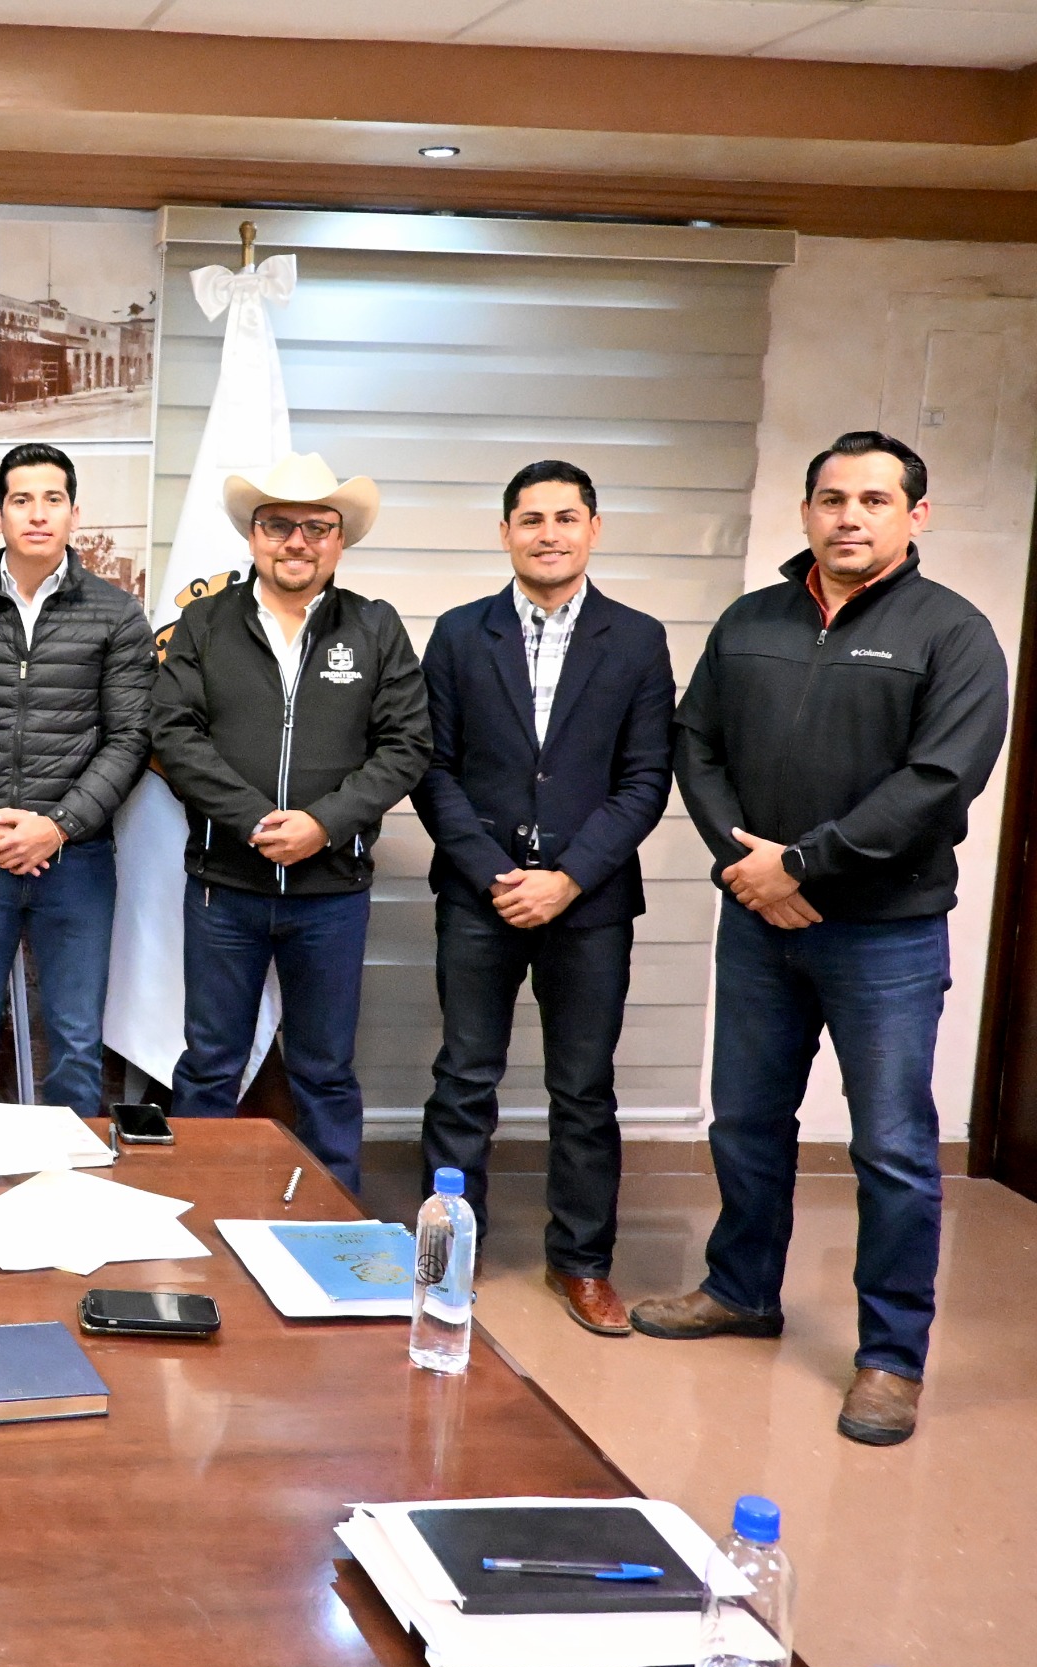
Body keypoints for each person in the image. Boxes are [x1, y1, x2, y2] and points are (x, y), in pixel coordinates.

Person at [634, 430, 1007, 1447]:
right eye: (832, 498)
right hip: (758, 924)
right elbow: (692, 743)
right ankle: (741, 1290)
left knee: (890, 1147)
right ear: (804, 513)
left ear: (913, 516)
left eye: (875, 500)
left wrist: (802, 864)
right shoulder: (751, 621)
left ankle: (890, 1357)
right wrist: (746, 866)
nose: (850, 516)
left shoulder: (953, 634)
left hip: (882, 935)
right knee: (746, 1123)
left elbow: (938, 782)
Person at [411, 461, 674, 1335]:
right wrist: (495, 872)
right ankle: (445, 1261)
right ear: (505, 532)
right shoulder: (456, 634)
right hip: (479, 893)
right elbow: (433, 770)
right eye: (530, 519)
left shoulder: (636, 640)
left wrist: (568, 877)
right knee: (463, 1078)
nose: (548, 533)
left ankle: (583, 1264)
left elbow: (645, 780)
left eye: (566, 517)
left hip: (589, 901)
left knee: (583, 1087)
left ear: (594, 527)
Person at [151, 452, 430, 1192]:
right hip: (224, 890)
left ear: (340, 541)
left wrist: (323, 824)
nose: (296, 542)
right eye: (279, 526)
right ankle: (194, 1212)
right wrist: (251, 820)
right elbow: (173, 733)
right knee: (209, 1064)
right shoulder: (204, 623)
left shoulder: (375, 629)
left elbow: (407, 746)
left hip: (330, 893)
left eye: (316, 527)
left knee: (325, 1071)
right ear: (253, 536)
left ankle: (334, 1219)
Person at [0, 443, 155, 1113]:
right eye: (21, 500)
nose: (37, 514)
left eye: (52, 500)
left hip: (76, 858)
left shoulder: (117, 613)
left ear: (75, 515)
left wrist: (59, 825)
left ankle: (69, 1192)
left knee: (74, 1038)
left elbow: (129, 736)